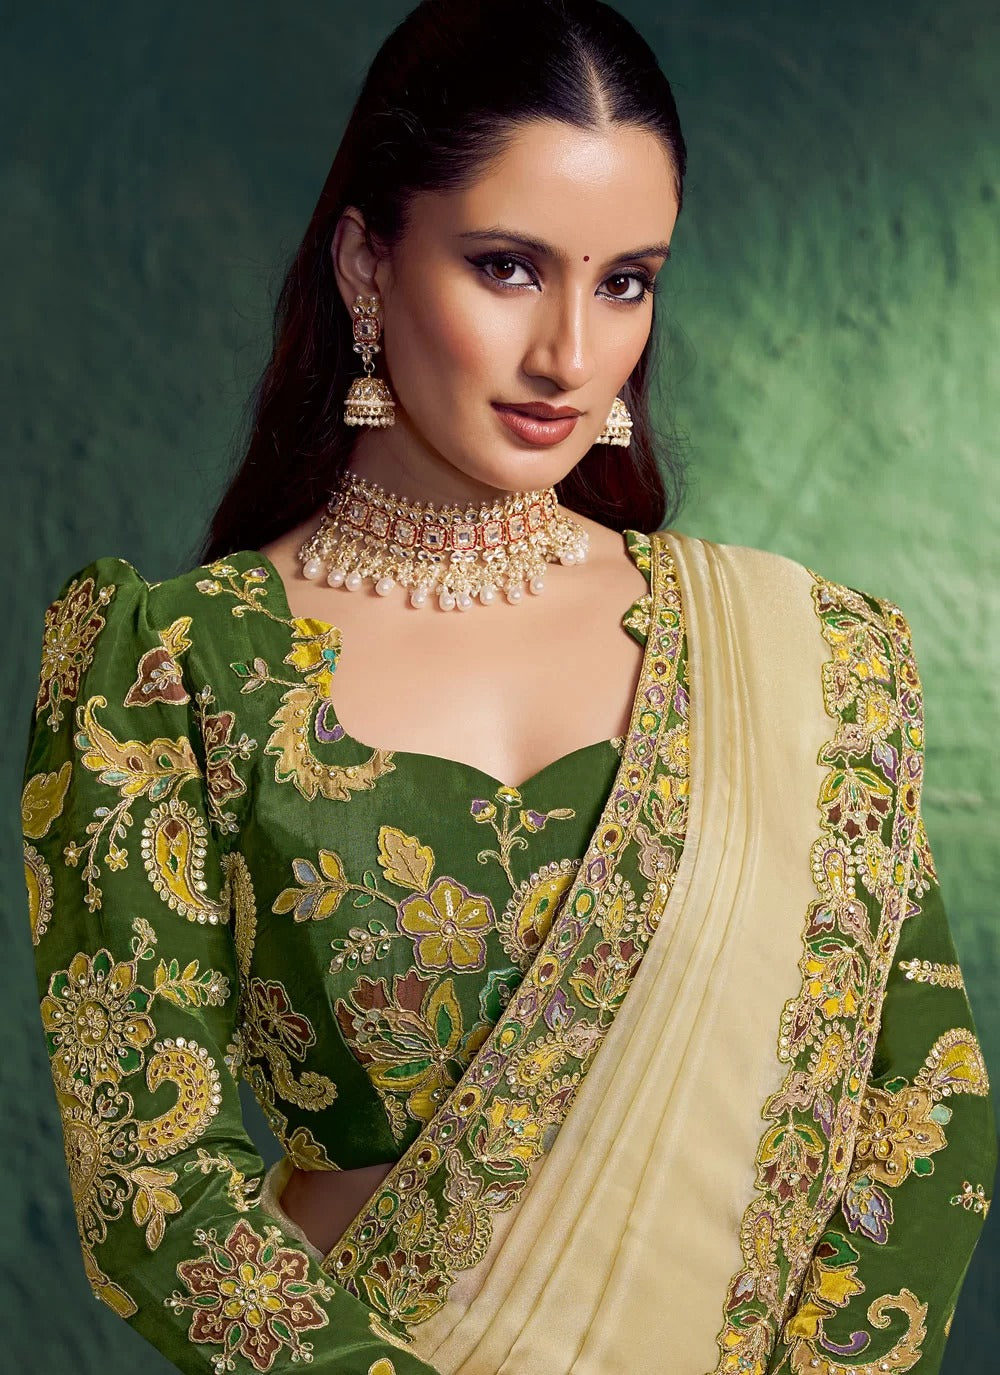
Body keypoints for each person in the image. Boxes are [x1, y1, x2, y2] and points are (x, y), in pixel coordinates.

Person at [20, 1, 995, 1372]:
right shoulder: (173, 671)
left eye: (626, 282)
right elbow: (155, 1192)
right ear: (367, 263)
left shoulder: (802, 656)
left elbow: (924, 1114)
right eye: (506, 267)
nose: (570, 356)